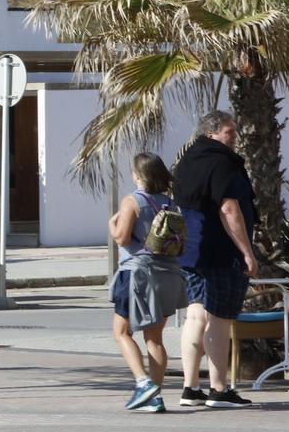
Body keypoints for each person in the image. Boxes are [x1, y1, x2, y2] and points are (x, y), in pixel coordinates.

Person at [172, 111, 259, 409]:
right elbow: (229, 210)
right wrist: (247, 251)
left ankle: (190, 387)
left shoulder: (187, 161)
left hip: (192, 251)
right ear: (212, 133)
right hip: (221, 252)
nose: (234, 137)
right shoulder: (222, 162)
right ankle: (219, 389)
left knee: (196, 316)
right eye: (229, 132)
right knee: (220, 319)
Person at [108, 153, 184, 413]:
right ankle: (155, 397)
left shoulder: (132, 201)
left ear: (138, 175)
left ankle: (142, 382)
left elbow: (121, 238)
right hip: (168, 274)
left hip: (138, 274)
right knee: (155, 338)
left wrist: (111, 225)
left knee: (121, 332)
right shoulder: (171, 205)